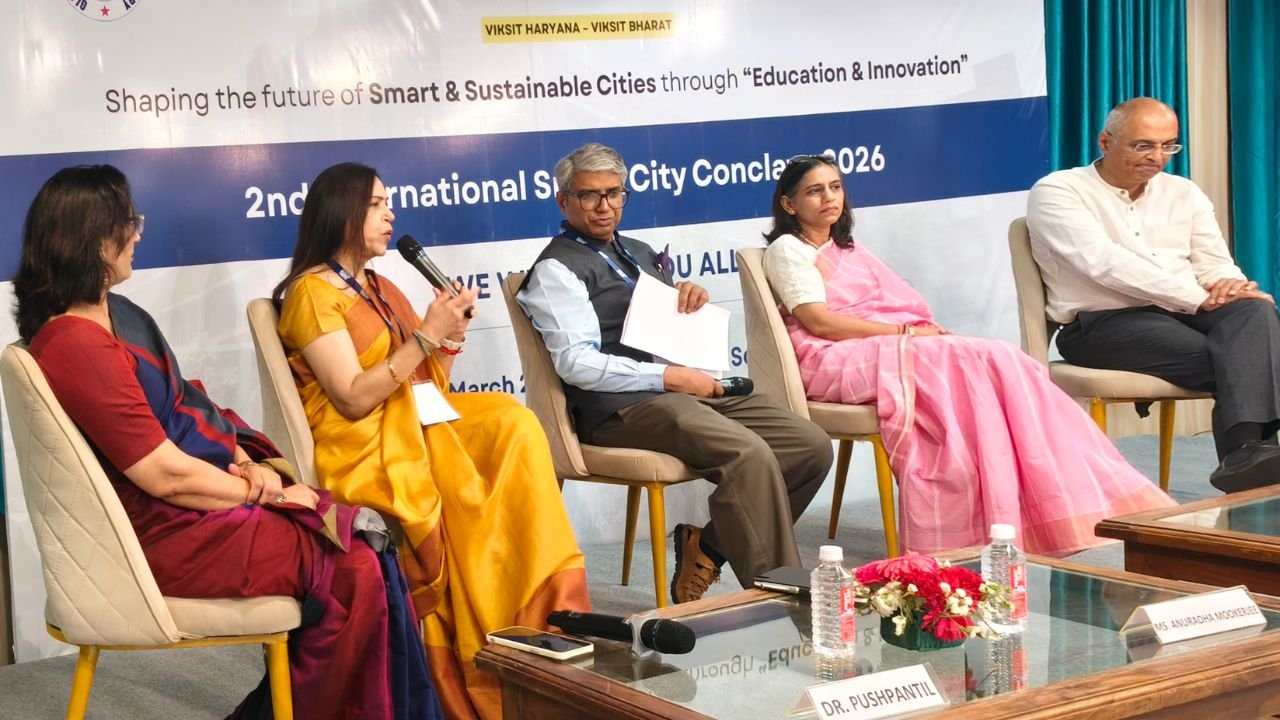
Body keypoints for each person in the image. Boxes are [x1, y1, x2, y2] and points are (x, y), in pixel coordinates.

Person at [12, 165, 439, 719]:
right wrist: (269, 493)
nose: (138, 232)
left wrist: (244, 460)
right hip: (163, 532)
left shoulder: (118, 315)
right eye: (128, 222)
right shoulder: (75, 344)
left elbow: (192, 406)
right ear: (93, 239)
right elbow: (162, 474)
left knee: (366, 543)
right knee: (355, 560)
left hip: (202, 502)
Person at [273, 162, 589, 720]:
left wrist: (448, 338)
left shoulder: (380, 286)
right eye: (376, 204)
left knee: (511, 420)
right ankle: (487, 639)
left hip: (411, 422)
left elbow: (425, 385)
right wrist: (424, 335)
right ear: (341, 211)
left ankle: (543, 607)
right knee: (471, 470)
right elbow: (352, 398)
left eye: (388, 203)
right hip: (364, 445)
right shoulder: (312, 294)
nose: (390, 214)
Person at [761, 154, 1174, 555]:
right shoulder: (789, 250)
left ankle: (1049, 505)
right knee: (961, 359)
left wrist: (910, 333)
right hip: (831, 356)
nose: (829, 198)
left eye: (835, 187)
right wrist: (906, 332)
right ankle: (972, 526)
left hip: (879, 345)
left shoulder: (847, 248)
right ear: (789, 204)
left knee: (999, 358)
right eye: (815, 191)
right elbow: (819, 322)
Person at [516, 143, 833, 604]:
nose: (604, 206)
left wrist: (687, 298)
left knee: (809, 445)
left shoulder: (638, 251)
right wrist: (667, 379)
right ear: (563, 201)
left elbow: (662, 327)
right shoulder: (556, 270)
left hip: (684, 391)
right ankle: (780, 599)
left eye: (614, 193)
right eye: (589, 195)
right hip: (619, 410)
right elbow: (576, 363)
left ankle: (707, 548)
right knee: (748, 454)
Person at [1027, 97, 1280, 493]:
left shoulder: (1183, 192)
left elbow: (1213, 261)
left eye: (1168, 146)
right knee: (1249, 356)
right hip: (1102, 324)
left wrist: (1233, 286)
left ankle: (1247, 457)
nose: (1157, 157)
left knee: (1256, 313)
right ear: (1105, 141)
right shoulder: (1058, 190)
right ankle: (1251, 458)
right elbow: (1105, 264)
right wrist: (1196, 298)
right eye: (1143, 145)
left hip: (1186, 310)